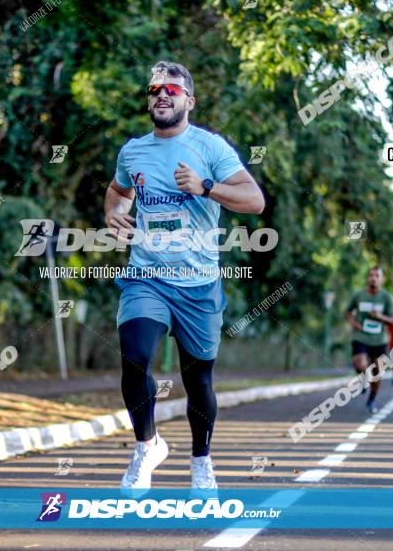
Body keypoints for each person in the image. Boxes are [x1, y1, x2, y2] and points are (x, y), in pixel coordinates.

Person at [104, 61, 265, 493]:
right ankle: (147, 446)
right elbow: (119, 191)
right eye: (155, 88)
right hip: (147, 277)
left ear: (189, 101)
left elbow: (254, 201)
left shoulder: (210, 148)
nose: (161, 95)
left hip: (198, 285)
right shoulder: (133, 151)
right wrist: (114, 213)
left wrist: (206, 187)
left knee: (199, 382)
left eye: (172, 90)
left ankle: (201, 460)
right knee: (135, 356)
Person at [345, 266, 393, 414]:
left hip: (379, 340)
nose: (373, 278)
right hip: (361, 336)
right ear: (368, 278)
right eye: (371, 275)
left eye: (377, 275)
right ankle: (363, 380)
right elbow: (348, 311)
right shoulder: (359, 295)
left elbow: (392, 321)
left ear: (381, 279)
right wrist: (354, 323)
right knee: (360, 364)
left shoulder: (386, 297)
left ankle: (372, 399)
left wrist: (380, 316)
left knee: (377, 373)